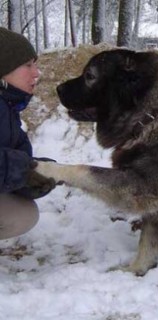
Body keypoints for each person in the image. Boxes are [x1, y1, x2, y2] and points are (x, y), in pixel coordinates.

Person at [0, 27, 55, 240]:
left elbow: (17, 156)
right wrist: (23, 170)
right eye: (27, 65)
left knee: (23, 213)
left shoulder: (8, 108)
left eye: (36, 64)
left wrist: (33, 176)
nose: (36, 73)